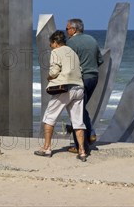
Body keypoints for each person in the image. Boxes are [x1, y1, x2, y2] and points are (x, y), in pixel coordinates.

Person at [34, 30, 87, 161]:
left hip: (65, 88)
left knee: (49, 117)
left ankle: (47, 148)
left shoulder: (56, 52)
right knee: (78, 121)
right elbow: (79, 69)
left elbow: (54, 70)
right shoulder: (73, 52)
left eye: (51, 44)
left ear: (55, 42)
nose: (50, 46)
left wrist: (49, 77)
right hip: (79, 88)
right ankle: (82, 151)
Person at [66, 18, 103, 154]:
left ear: (74, 29)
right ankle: (90, 134)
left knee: (77, 109)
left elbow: (68, 64)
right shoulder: (92, 40)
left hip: (80, 79)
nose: (66, 32)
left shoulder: (71, 43)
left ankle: (80, 146)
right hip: (93, 77)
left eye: (67, 29)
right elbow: (100, 60)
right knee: (81, 107)